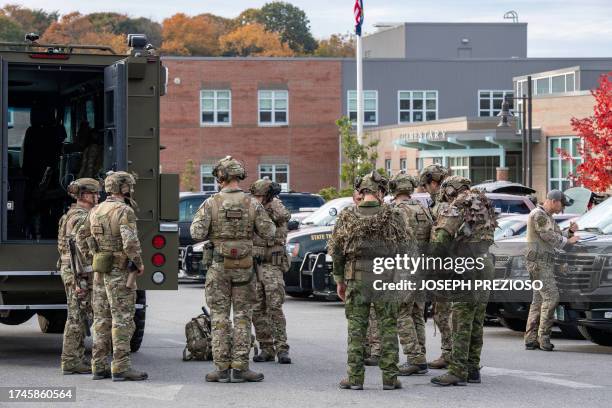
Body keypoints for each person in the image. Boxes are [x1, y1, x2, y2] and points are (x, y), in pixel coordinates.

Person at [190, 157, 275, 383]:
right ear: (239, 176)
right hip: (245, 268)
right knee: (242, 317)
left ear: (220, 177)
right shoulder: (252, 204)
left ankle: (220, 368)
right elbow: (269, 232)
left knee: (219, 317)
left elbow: (197, 233)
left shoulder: (211, 203)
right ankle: (240, 367)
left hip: (218, 266)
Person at [328, 171, 410, 391]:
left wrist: (339, 280)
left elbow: (336, 251)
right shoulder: (393, 215)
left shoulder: (347, 215)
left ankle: (355, 378)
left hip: (357, 278)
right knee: (388, 328)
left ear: (361, 192)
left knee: (356, 329)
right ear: (381, 191)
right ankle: (390, 379)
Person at [76, 171, 147, 381]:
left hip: (100, 272)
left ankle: (98, 367)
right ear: (124, 188)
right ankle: (121, 367)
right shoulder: (124, 211)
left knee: (101, 320)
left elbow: (80, 236)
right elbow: (130, 242)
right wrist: (139, 263)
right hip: (120, 272)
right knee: (123, 319)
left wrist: (93, 255)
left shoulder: (96, 209)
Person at [429, 176, 497, 386]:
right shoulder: (484, 202)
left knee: (460, 319)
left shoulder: (460, 203)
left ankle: (457, 371)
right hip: (485, 263)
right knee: (476, 319)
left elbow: (442, 236)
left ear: (451, 191)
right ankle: (472, 368)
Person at [389, 171, 433, 376]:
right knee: (417, 312)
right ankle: (420, 354)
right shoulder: (423, 209)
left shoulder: (396, 210)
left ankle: (414, 357)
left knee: (401, 312)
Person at [524, 190, 579, 351]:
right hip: (540, 263)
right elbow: (547, 235)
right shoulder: (538, 214)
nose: (562, 208)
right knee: (552, 297)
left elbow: (556, 233)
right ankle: (544, 338)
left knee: (539, 301)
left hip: (542, 262)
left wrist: (569, 232)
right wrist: (568, 242)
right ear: (554, 201)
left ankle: (531, 338)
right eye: (562, 204)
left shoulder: (547, 217)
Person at [57, 178, 100, 375]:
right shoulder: (82, 217)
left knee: (78, 315)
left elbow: (63, 247)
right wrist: (78, 280)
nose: (97, 197)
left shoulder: (69, 215)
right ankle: (71, 360)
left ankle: (75, 358)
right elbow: (77, 250)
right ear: (83, 195)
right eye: (94, 194)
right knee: (76, 316)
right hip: (77, 272)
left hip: (72, 270)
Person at [250, 179, 292, 364]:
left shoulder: (276, 208)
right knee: (257, 308)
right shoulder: (252, 207)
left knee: (275, 307)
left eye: (260, 196)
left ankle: (282, 348)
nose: (257, 199)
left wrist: (266, 207)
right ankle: (266, 347)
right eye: (255, 196)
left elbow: (283, 220)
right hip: (256, 264)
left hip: (272, 264)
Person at [419, 163, 452, 369]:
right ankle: (451, 353)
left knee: (443, 313)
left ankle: (449, 353)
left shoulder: (441, 206)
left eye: (425, 185)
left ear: (433, 183)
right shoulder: (450, 203)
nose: (424, 189)